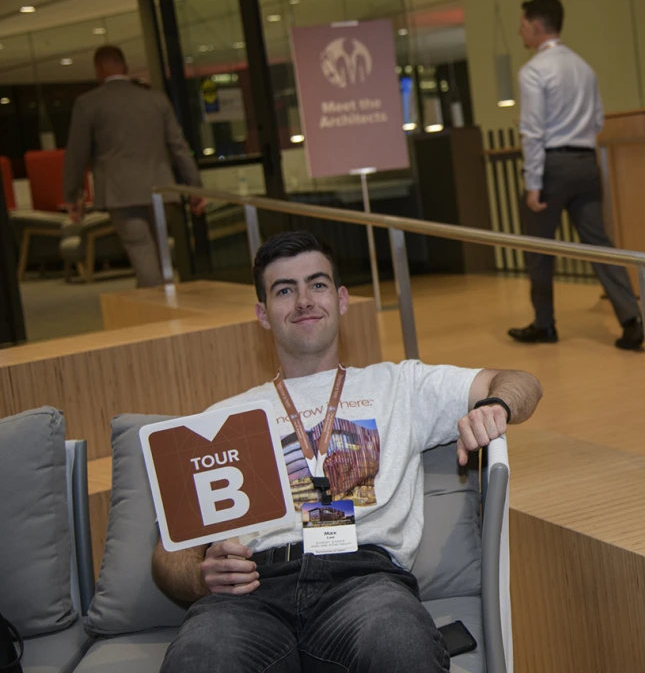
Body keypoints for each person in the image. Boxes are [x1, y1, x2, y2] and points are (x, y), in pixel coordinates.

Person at [152, 231, 543, 672]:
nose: (303, 300)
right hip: (249, 593)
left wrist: (495, 406)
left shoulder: (399, 385)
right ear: (262, 314)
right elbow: (168, 554)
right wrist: (200, 575)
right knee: (199, 660)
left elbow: (520, 380)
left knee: (401, 647)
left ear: (341, 299)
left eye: (316, 284)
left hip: (363, 583)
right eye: (285, 290)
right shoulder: (221, 419)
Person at [508, 0, 643, 350]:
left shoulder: (534, 70)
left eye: (522, 24)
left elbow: (533, 130)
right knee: (600, 244)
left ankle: (544, 324)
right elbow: (598, 119)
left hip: (553, 166)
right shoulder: (584, 67)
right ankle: (631, 318)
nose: (520, 31)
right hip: (586, 163)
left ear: (537, 27)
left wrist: (533, 182)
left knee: (538, 246)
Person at [62, 45, 205, 288]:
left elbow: (77, 154)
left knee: (141, 249)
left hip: (121, 193)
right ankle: (166, 304)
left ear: (98, 69)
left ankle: (161, 311)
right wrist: (195, 188)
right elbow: (179, 146)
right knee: (160, 249)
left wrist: (72, 196)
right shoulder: (156, 100)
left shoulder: (88, 104)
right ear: (125, 67)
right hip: (161, 190)